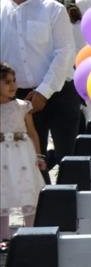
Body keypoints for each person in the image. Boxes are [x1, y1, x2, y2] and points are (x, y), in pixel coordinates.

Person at [0, 0, 77, 174]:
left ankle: (70, 207)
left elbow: (65, 52)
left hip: (59, 93)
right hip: (19, 99)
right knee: (31, 160)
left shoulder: (53, 9)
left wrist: (44, 91)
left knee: (68, 160)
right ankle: (42, 208)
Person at [0, 62, 45, 249]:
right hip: (2, 155)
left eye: (14, 81)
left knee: (27, 189)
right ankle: (4, 236)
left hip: (22, 154)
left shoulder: (22, 106)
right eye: (7, 82)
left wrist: (39, 155)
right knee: (3, 190)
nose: (13, 85)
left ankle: (31, 230)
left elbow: (33, 132)